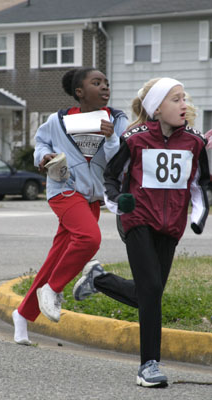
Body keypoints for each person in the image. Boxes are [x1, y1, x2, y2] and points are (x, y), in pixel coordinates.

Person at [73, 77, 210, 388]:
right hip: (137, 220)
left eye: (184, 98)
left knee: (150, 293)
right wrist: (117, 204)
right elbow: (111, 176)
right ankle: (148, 364)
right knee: (150, 290)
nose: (183, 105)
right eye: (176, 99)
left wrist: (199, 216)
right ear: (157, 108)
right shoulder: (134, 139)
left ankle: (98, 279)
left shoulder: (194, 141)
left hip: (171, 226)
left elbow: (200, 184)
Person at [12, 67, 128, 345]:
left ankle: (22, 314)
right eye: (96, 83)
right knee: (89, 239)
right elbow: (41, 142)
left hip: (92, 198)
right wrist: (44, 156)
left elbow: (119, 160)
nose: (104, 87)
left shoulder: (116, 120)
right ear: (80, 92)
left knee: (58, 256)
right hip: (63, 189)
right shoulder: (58, 120)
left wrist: (112, 138)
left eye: (106, 83)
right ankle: (52, 289)